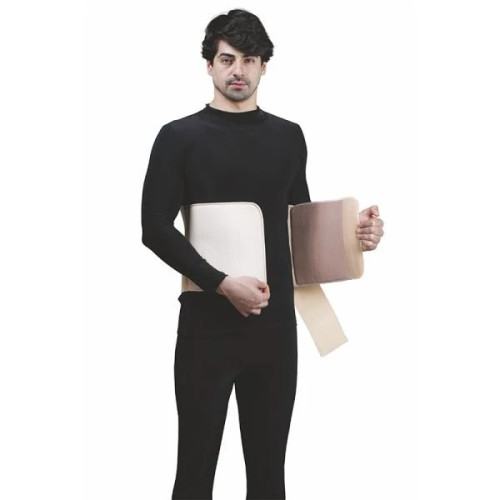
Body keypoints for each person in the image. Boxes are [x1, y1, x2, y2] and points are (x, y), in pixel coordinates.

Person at [141, 9, 384, 500]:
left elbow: (298, 227)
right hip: (206, 328)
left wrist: (352, 235)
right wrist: (221, 282)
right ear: (209, 64)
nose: (238, 70)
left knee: (270, 478)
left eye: (249, 60)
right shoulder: (178, 137)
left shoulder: (288, 136)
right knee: (194, 477)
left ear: (264, 67)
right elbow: (154, 227)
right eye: (227, 59)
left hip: (274, 333)